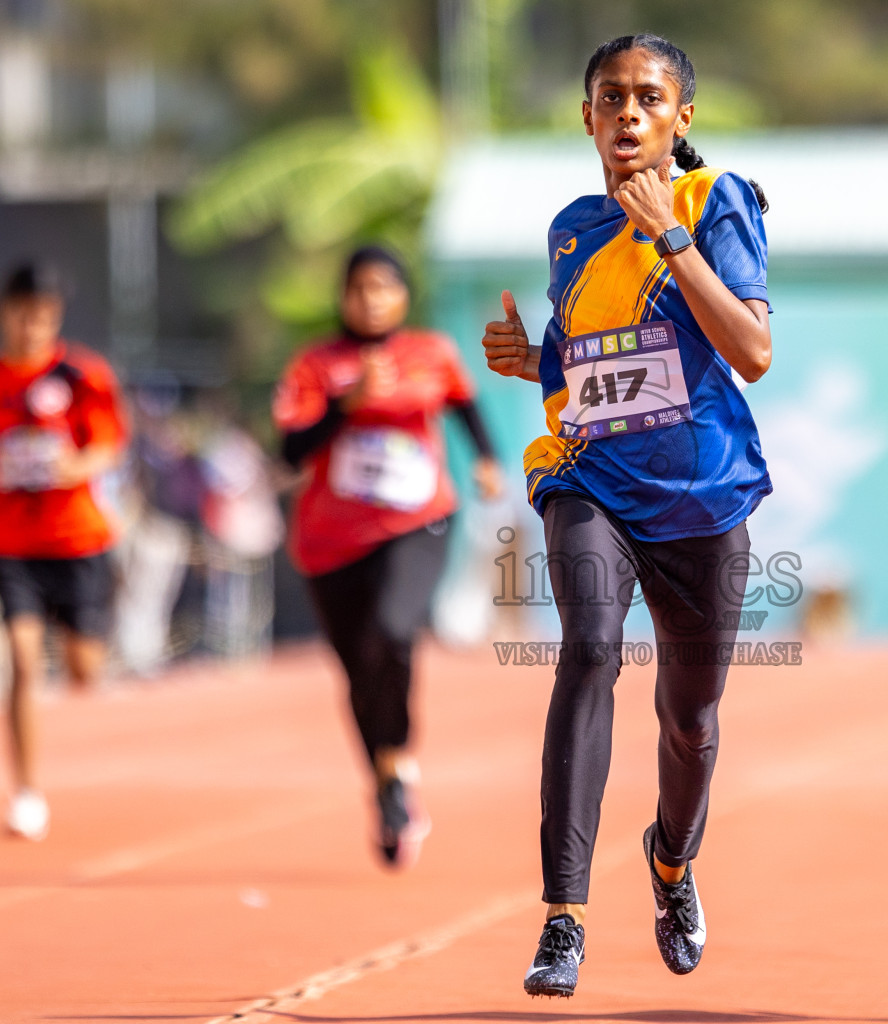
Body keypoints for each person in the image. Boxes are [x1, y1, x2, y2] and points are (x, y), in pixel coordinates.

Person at [481, 33, 772, 998]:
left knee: (690, 720)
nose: (630, 114)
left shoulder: (712, 200)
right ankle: (563, 918)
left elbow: (751, 349)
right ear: (588, 115)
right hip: (587, 475)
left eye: (650, 98)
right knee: (589, 651)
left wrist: (673, 239)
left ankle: (672, 863)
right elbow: (587, 363)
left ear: (682, 117)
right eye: (612, 97)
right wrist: (531, 359)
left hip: (701, 494)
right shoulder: (570, 227)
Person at [273, 245, 502, 868]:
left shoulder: (430, 353)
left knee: (394, 632)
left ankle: (397, 760)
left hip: (416, 522)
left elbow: (463, 405)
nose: (371, 298)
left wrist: (485, 460)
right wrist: (345, 405)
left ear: (403, 295)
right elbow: (290, 450)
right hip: (332, 541)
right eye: (359, 287)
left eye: (383, 286)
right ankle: (386, 779)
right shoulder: (317, 365)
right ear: (343, 297)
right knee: (359, 667)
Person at [0, 263, 128, 840]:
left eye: (45, 315)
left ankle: (84, 646)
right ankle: (27, 793)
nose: (32, 325)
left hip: (77, 537)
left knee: (85, 668)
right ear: (1, 311)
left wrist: (71, 466)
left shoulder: (83, 375)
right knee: (22, 658)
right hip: (10, 542)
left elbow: (107, 447)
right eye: (22, 312)